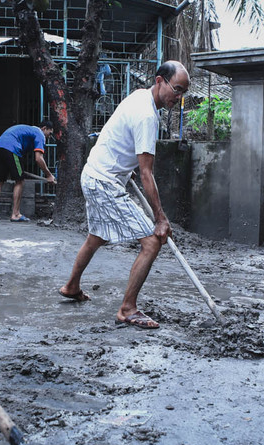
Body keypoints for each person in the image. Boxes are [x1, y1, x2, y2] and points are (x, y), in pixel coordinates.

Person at [59, 61, 189, 329]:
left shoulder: (140, 96)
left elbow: (123, 144)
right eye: (176, 89)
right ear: (159, 81)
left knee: (97, 236)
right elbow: (146, 174)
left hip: (94, 174)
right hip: (104, 182)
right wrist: (160, 218)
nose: (178, 97)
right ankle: (128, 309)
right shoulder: (147, 116)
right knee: (153, 242)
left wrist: (123, 167)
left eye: (182, 93)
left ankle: (71, 286)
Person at [0, 121, 56, 222]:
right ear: (44, 128)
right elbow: (38, 159)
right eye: (49, 133)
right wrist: (49, 175)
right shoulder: (39, 134)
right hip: (12, 148)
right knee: (19, 181)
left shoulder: (29, 130)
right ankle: (15, 214)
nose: (49, 137)